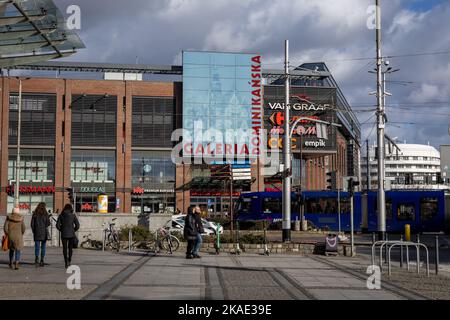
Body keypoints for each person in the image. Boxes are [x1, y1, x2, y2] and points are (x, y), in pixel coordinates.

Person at [56, 204, 80, 269]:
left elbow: (57, 226)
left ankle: (66, 262)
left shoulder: (61, 215)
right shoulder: (73, 215)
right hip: (71, 234)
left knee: (64, 248)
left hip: (64, 234)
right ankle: (69, 260)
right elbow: (77, 225)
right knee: (70, 248)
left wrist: (62, 230)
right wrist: (73, 230)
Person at [31, 203, 51, 267]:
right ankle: (42, 260)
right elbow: (48, 223)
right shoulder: (45, 214)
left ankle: (37, 258)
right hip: (44, 233)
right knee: (43, 247)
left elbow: (32, 224)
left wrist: (34, 231)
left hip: (37, 232)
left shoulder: (35, 214)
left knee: (37, 247)